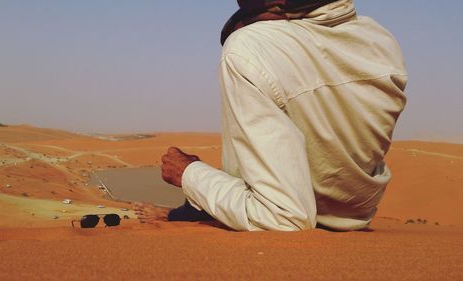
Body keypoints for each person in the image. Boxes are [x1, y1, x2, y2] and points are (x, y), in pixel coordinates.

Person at [136, 0, 407, 231]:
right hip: (357, 215)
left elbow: (284, 217)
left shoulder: (249, 49)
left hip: (298, 222)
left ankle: (195, 206)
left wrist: (189, 174)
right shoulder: (381, 40)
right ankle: (195, 208)